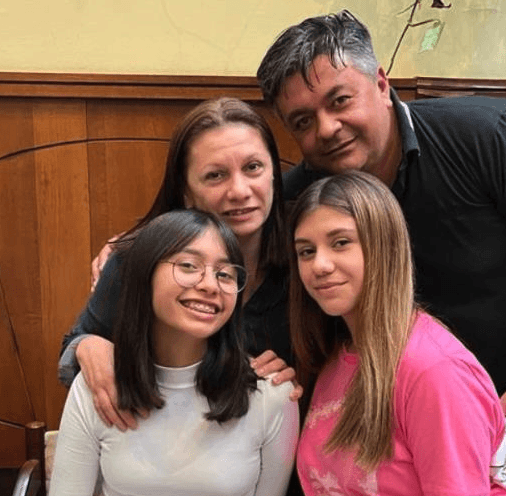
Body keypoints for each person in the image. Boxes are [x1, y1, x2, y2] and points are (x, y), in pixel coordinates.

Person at [256, 10, 506, 406]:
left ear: (381, 84)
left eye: (340, 100)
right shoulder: (295, 202)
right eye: (303, 122)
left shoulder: (483, 137)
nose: (326, 128)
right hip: (377, 416)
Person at [59, 97, 299, 432]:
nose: (240, 190)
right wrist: (86, 347)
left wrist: (297, 381)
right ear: (186, 192)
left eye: (253, 167)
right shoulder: (133, 261)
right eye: (215, 175)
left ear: (274, 174)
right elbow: (73, 349)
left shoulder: (308, 257)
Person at [49, 210, 299, 496]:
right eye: (189, 265)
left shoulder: (272, 393)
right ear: (145, 274)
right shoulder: (99, 385)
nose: (210, 285)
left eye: (224, 274)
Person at [289, 171, 506, 495]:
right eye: (306, 251)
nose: (319, 265)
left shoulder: (434, 371)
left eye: (340, 243)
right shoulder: (336, 358)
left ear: (385, 246)